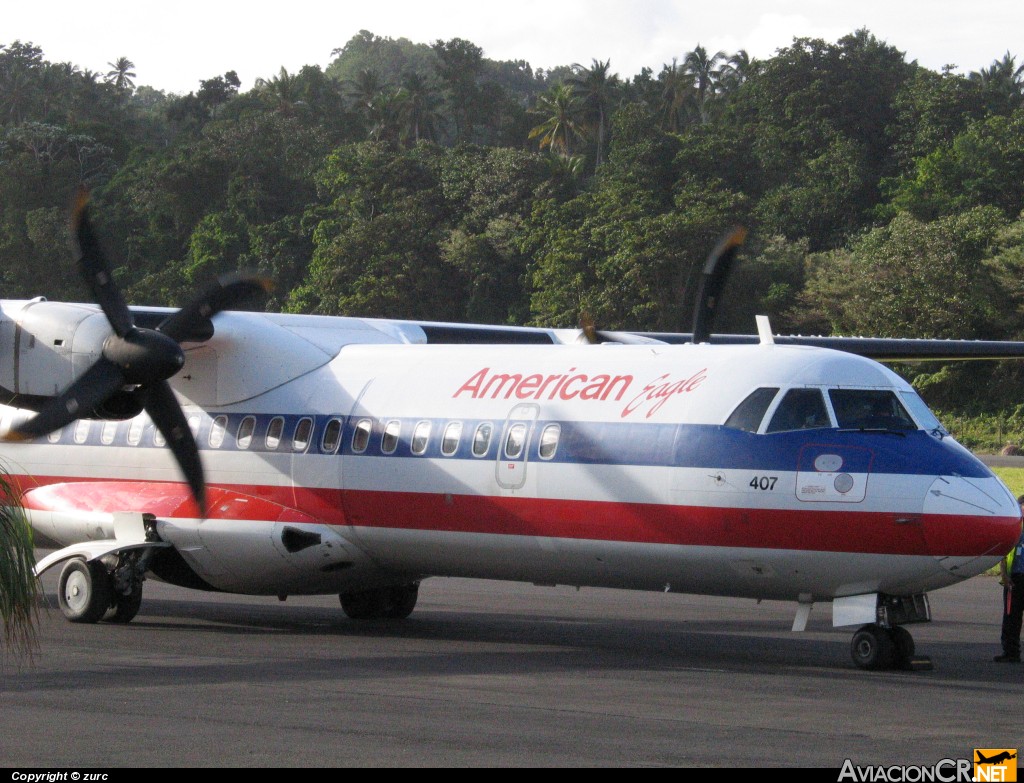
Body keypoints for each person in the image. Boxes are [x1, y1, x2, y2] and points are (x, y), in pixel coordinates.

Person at [995, 496, 1024, 663]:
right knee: (1011, 617)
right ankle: (1011, 652)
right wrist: (1004, 575)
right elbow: (1004, 554)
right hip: (1015, 579)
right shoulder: (1014, 530)